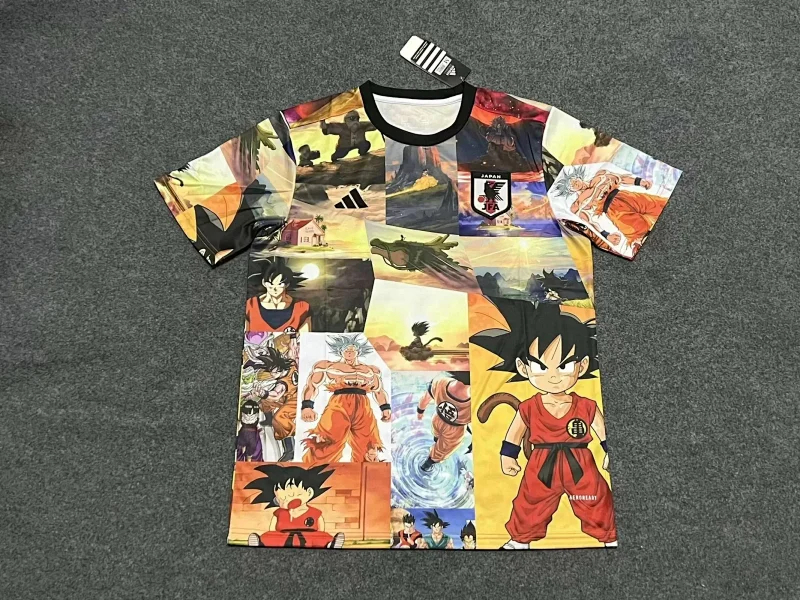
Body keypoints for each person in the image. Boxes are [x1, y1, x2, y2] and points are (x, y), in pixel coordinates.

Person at [471, 298, 617, 549]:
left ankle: (608, 536)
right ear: (523, 367)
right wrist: (508, 457)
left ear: (582, 365)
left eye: (564, 366)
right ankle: (520, 539)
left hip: (581, 463)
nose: (553, 376)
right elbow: (515, 433)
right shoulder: (529, 407)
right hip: (541, 465)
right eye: (540, 366)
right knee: (530, 502)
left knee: (596, 499)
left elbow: (601, 430)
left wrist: (608, 451)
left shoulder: (586, 405)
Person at [301, 335, 390, 464]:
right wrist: (307, 406)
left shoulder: (371, 370)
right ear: (340, 351)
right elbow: (312, 385)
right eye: (346, 350)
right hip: (339, 404)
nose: (349, 352)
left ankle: (364, 473)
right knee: (326, 442)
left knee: (369, 447)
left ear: (358, 351)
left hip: (363, 406)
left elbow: (379, 391)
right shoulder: (327, 366)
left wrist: (385, 408)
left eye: (352, 350)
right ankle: (314, 470)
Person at [245, 464, 345, 549]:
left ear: (309, 492)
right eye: (282, 498)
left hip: (309, 537)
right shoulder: (279, 513)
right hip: (283, 537)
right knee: (270, 536)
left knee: (321, 536)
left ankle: (330, 544)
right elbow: (272, 530)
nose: (288, 500)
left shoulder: (315, 513)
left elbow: (321, 530)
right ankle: (260, 543)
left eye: (292, 495)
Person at [417, 372, 471, 472]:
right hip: (454, 431)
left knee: (437, 433)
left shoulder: (441, 382)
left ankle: (436, 440)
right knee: (443, 450)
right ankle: (428, 464)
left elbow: (425, 398)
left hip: (437, 419)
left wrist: (420, 411)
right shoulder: (475, 402)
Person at [245, 260, 311, 333]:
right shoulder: (250, 306)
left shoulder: (302, 307)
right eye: (270, 284)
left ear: (287, 284)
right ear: (264, 283)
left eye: (279, 284)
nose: (275, 288)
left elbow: (306, 337)